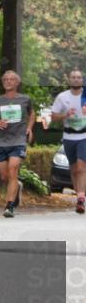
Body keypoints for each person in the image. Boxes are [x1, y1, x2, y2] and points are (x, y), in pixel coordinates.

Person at [0, 70, 35, 218]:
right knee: (4, 177)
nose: (8, 81)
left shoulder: (25, 99)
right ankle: (17, 189)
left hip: (18, 140)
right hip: (1, 142)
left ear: (17, 82)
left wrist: (29, 128)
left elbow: (32, 113)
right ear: (3, 83)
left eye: (11, 79)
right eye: (5, 80)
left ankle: (9, 206)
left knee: (13, 170)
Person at [46, 69, 86, 214]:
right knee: (74, 169)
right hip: (69, 137)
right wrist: (65, 115)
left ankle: (81, 198)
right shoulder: (62, 97)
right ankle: (79, 196)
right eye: (73, 77)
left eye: (78, 77)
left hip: (84, 136)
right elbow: (54, 117)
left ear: (82, 80)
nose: (76, 79)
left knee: (82, 167)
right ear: (69, 80)